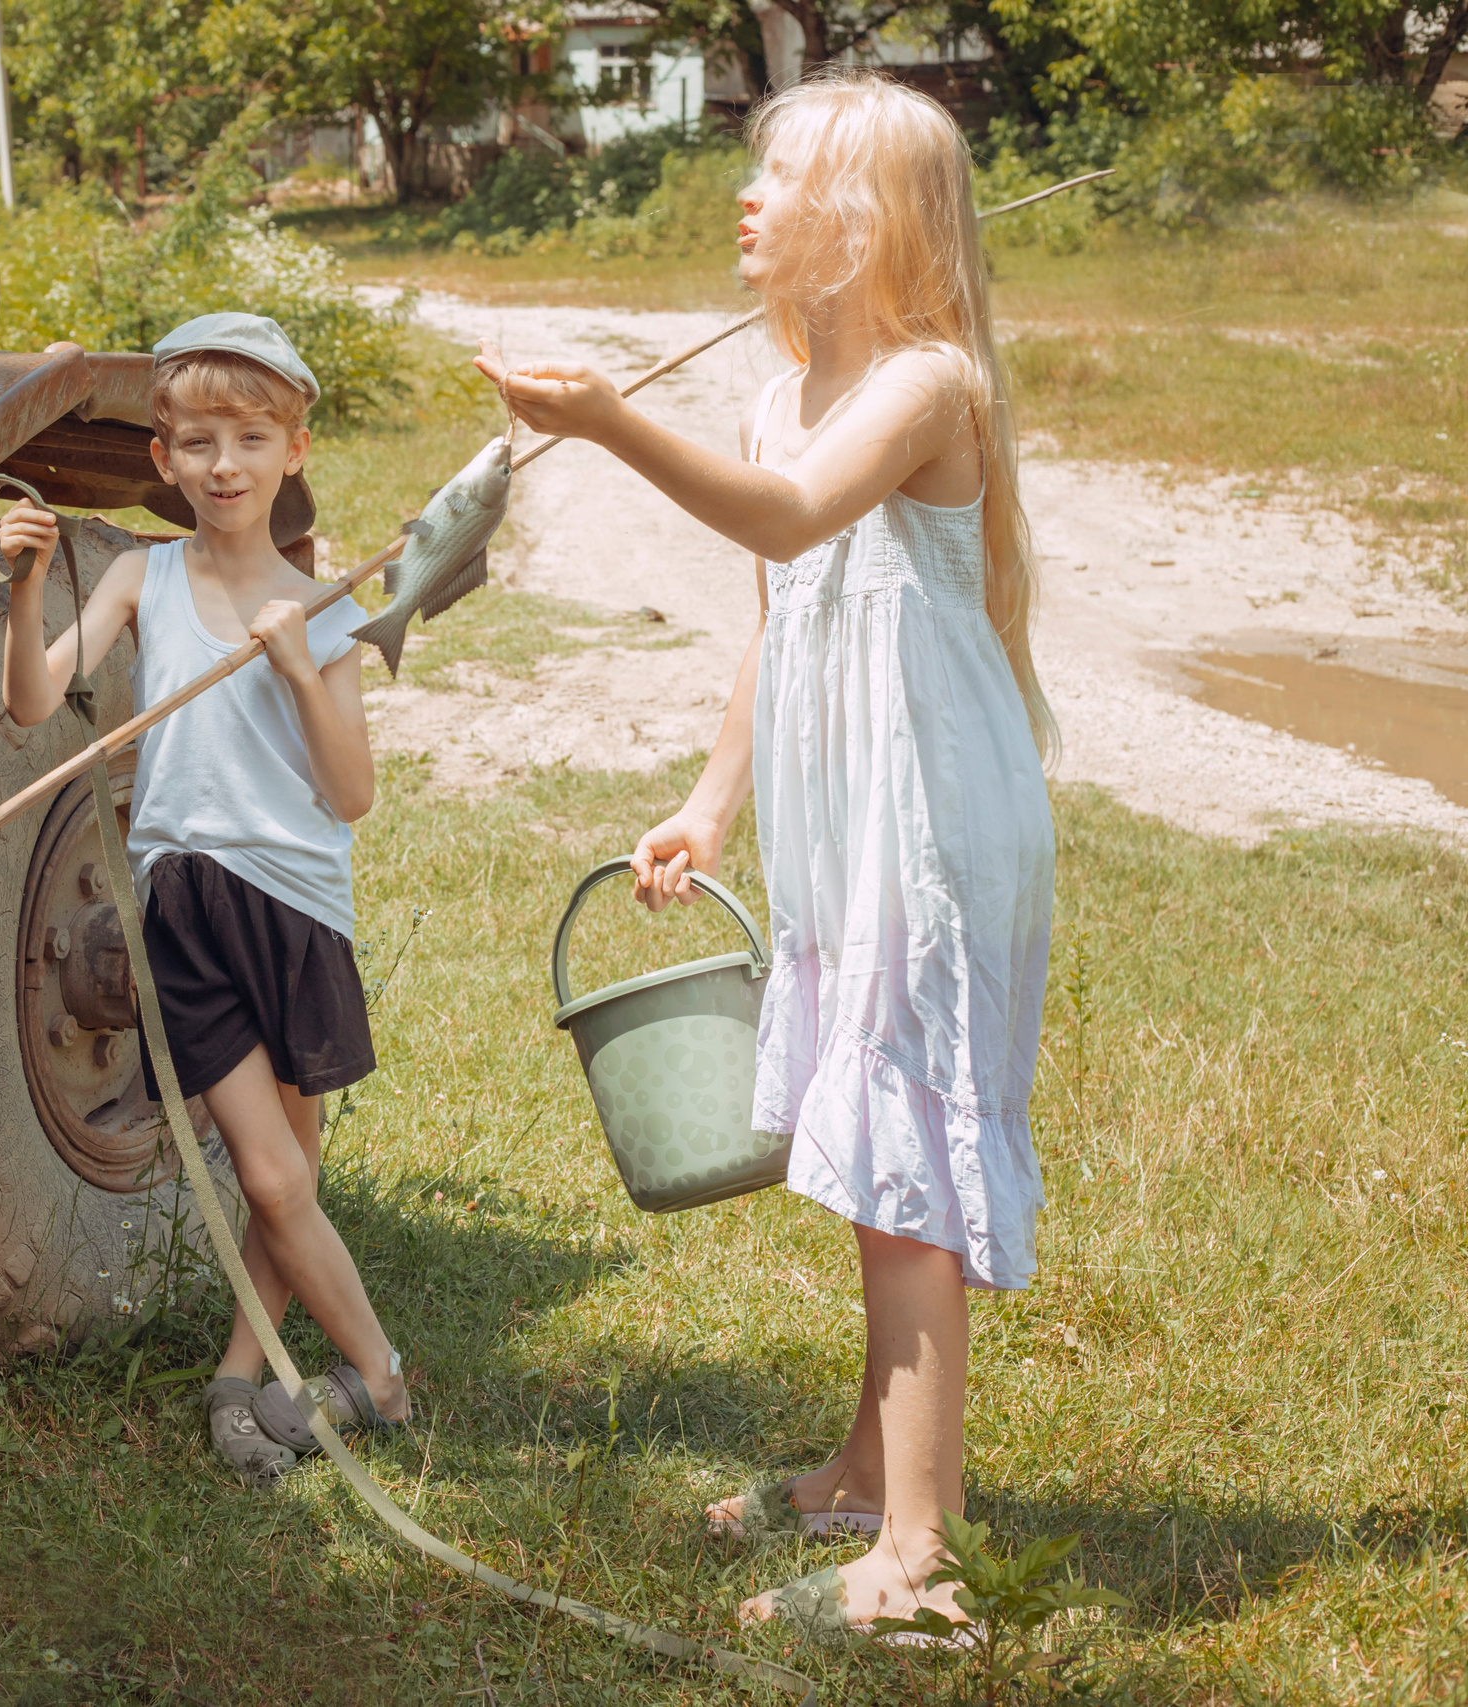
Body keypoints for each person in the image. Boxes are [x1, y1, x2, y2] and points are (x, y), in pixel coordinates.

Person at [478, 70, 1056, 1640]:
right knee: (868, 1152)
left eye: (782, 174)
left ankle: (924, 1558)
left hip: (928, 821)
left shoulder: (929, 386)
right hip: (841, 810)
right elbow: (778, 619)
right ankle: (868, 1471)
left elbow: (796, 522)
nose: (745, 197)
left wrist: (604, 423)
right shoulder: (776, 391)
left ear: (864, 221)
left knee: (907, 1170)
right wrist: (712, 798)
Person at [0, 314, 409, 1485]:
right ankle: (378, 1374)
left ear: (294, 447)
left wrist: (295, 664)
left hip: (296, 905)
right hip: (184, 903)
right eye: (197, 443)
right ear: (162, 461)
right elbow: (33, 704)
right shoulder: (141, 574)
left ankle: (250, 1367)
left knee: (295, 1174)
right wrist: (26, 588)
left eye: (249, 437)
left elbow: (350, 791)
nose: (223, 465)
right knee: (266, 1174)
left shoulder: (323, 607)